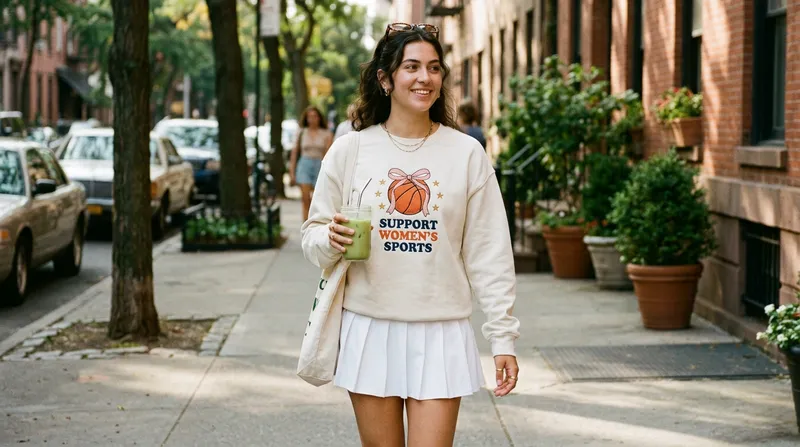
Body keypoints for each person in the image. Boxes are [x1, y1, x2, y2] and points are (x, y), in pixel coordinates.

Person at [300, 23, 519, 446]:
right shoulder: (352, 149)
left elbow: (489, 251)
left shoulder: (466, 153)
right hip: (369, 326)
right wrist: (331, 239)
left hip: (440, 327)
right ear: (386, 78)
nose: (425, 78)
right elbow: (312, 234)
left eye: (434, 68)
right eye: (412, 67)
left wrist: (503, 335)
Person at [290, 106, 333, 221]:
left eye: (315, 116)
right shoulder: (301, 132)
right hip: (304, 164)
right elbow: (294, 153)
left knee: (317, 199)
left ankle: (315, 223)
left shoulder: (326, 133)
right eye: (309, 116)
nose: (312, 119)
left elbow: (329, 155)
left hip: (320, 165)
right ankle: (305, 226)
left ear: (319, 118)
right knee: (305, 199)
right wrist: (292, 172)